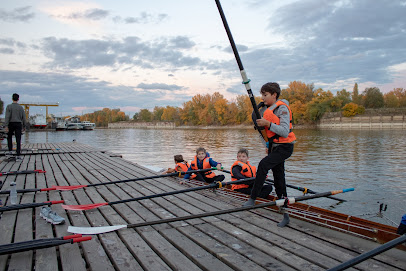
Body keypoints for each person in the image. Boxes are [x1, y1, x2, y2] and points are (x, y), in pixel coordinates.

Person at [243, 82, 296, 227]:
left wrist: (268, 124)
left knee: (263, 165)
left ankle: (252, 199)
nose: (263, 98)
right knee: (279, 180)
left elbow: (285, 131)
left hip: (285, 147)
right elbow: (265, 133)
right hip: (274, 147)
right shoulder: (266, 109)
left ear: (274, 95)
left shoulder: (282, 108)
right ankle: (285, 215)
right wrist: (267, 144)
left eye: (265, 95)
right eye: (262, 95)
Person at [4, 93, 27, 159]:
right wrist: (24, 126)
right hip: (18, 124)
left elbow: (7, 116)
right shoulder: (20, 107)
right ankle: (18, 154)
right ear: (18, 99)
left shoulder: (9, 106)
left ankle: (10, 151)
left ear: (12, 98)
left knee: (9, 137)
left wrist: (6, 126)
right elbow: (24, 117)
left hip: (11, 123)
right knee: (18, 138)